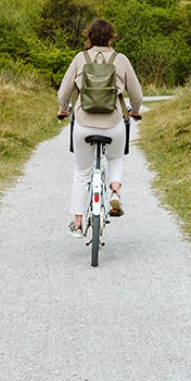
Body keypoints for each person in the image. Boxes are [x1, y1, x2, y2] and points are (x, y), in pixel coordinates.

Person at [57, 18, 143, 236]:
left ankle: (77, 224)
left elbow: (64, 92)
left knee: (82, 173)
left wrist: (62, 108)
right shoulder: (121, 60)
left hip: (83, 124)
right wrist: (135, 110)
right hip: (113, 124)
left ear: (89, 36)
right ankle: (114, 191)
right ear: (112, 37)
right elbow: (137, 94)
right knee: (115, 158)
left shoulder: (80, 58)